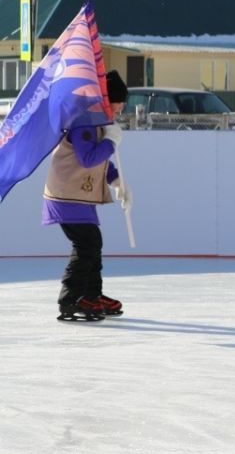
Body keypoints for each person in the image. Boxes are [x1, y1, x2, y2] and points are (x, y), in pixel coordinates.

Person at [45, 70, 131, 322]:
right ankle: (71, 299)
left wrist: (117, 181)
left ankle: (92, 295)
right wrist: (111, 143)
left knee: (92, 243)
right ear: (107, 100)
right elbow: (88, 158)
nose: (121, 108)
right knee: (87, 244)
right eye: (119, 103)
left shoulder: (96, 121)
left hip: (77, 195)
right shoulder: (84, 122)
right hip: (66, 195)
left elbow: (98, 163)